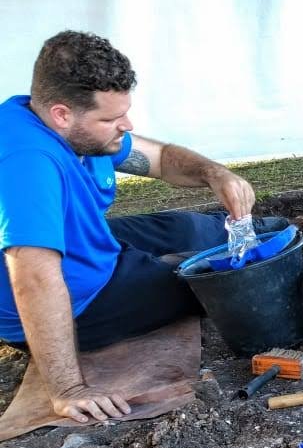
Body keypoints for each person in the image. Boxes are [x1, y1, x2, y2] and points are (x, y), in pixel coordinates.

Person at [0, 30, 282, 423]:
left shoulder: (62, 125)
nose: (127, 125)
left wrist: (215, 173)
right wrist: (67, 390)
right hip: (77, 296)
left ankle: (277, 232)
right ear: (62, 114)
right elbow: (33, 278)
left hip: (89, 246)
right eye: (112, 118)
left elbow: (162, 158)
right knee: (222, 279)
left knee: (191, 229)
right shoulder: (27, 160)